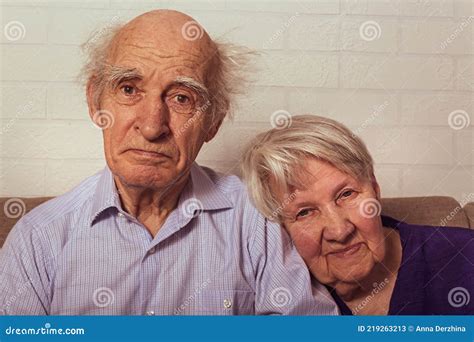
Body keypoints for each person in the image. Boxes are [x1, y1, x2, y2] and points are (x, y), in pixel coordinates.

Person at [0, 11, 338, 315]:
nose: (151, 126)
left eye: (181, 98)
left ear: (213, 121)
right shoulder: (37, 239)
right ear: (95, 101)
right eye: (129, 89)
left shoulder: (257, 220)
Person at [241, 114, 474, 315]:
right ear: (280, 229)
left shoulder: (465, 256)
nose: (339, 231)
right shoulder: (276, 292)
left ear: (375, 189)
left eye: (346, 194)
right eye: (305, 212)